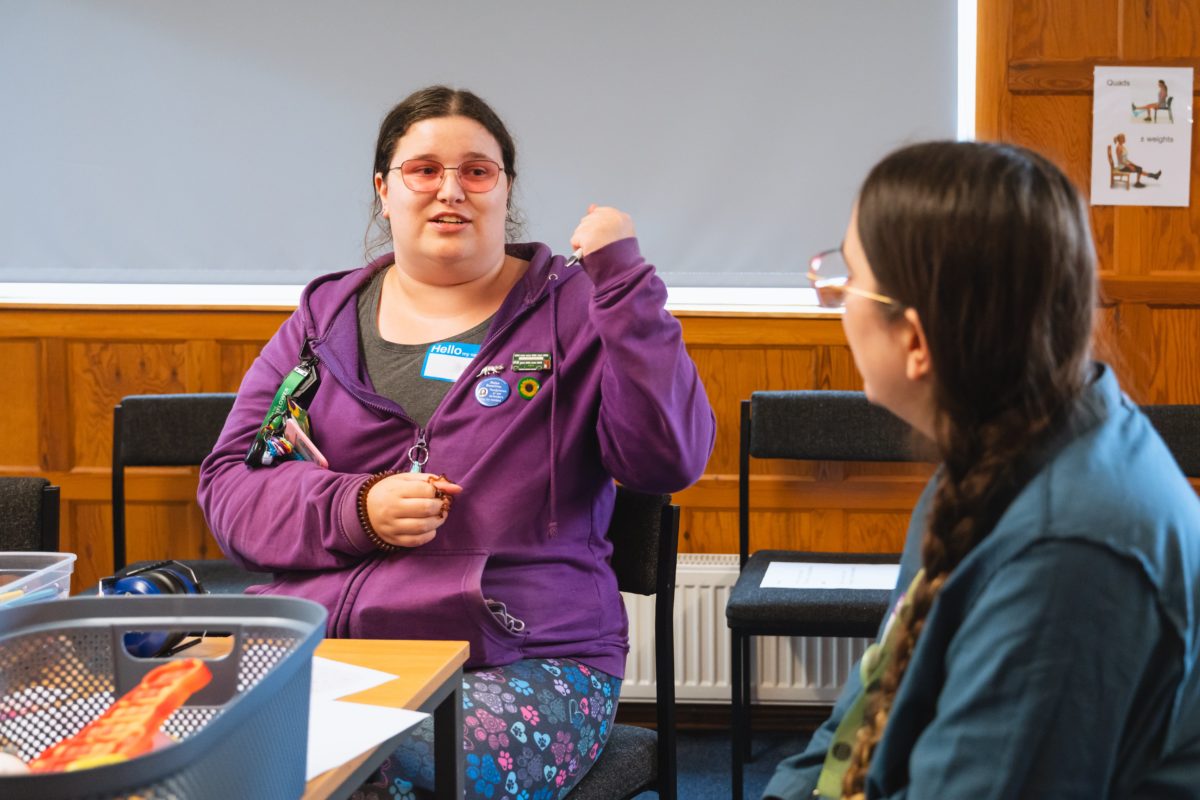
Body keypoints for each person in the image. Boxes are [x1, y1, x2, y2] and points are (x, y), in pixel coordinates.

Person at [198, 85, 715, 799]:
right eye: (423, 170)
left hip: (524, 660)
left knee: (362, 770)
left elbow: (669, 458)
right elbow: (230, 487)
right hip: (324, 647)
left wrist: (623, 282)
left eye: (477, 171)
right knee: (172, 742)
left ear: (506, 190)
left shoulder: (580, 308)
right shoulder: (324, 319)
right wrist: (358, 508)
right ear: (385, 190)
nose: (451, 190)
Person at [764, 141, 1200, 799]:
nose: (832, 299)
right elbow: (854, 724)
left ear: (914, 340)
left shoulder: (1069, 554)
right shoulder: (995, 450)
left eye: (847, 277)